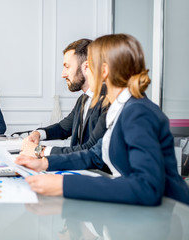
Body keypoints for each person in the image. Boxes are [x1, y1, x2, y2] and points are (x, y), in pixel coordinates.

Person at [16, 34, 189, 206]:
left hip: (169, 215)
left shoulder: (138, 113)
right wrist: (43, 163)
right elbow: (94, 155)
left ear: (104, 71)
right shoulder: (119, 107)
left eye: (89, 67)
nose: (86, 72)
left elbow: (147, 187)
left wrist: (63, 184)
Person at [21, 39, 108, 159]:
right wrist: (37, 134)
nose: (63, 74)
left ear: (86, 66)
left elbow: (90, 148)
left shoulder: (108, 100)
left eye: (67, 67)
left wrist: (39, 151)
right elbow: (63, 128)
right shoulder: (83, 99)